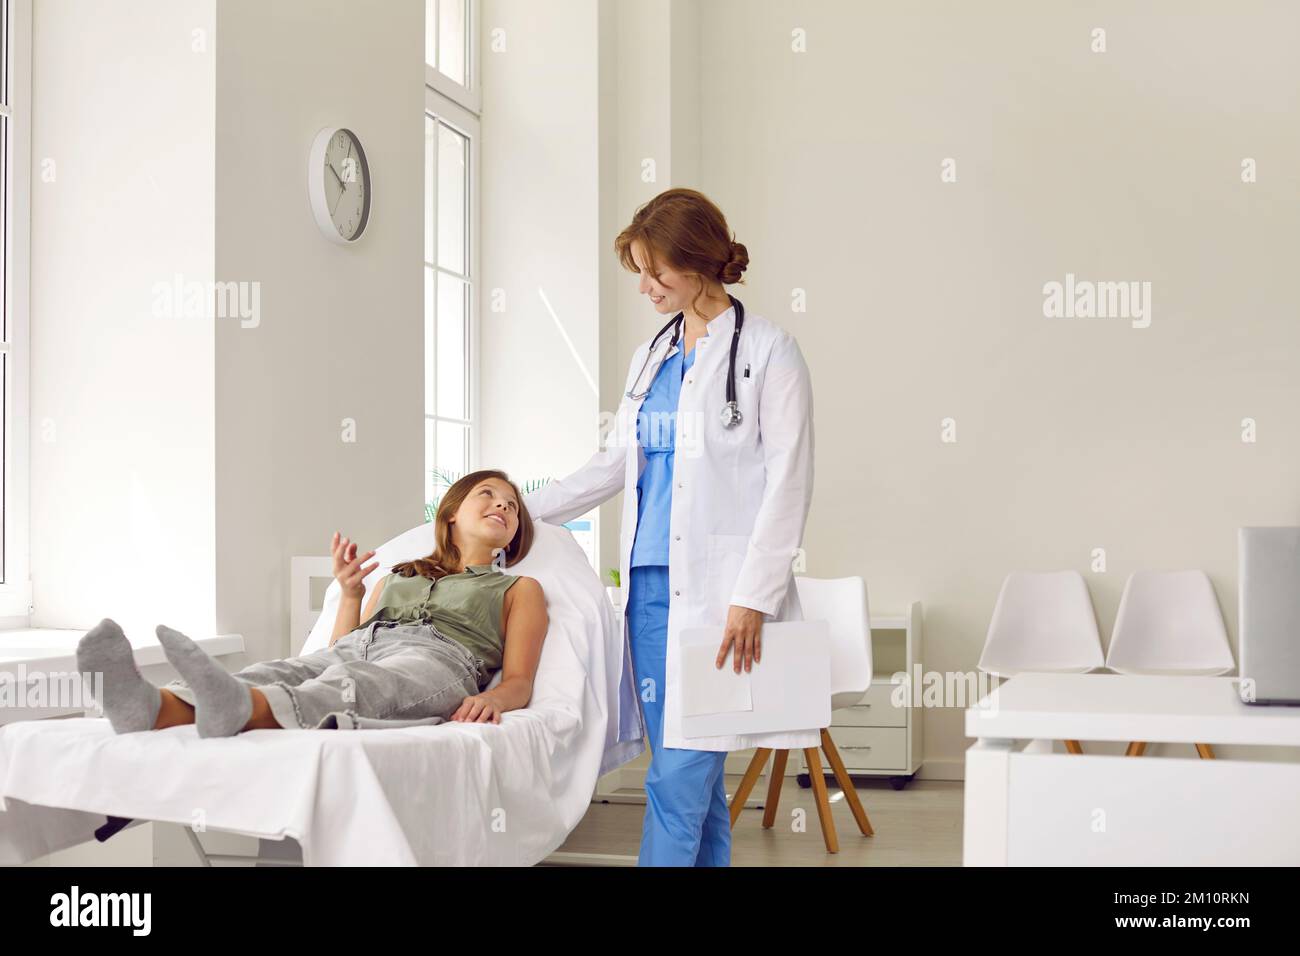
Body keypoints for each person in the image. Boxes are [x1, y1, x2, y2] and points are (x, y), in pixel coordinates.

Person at [523, 188, 817, 866]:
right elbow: (613, 464)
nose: (646, 287)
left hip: (723, 600)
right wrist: (519, 509)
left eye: (658, 272)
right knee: (698, 785)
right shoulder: (651, 354)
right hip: (648, 593)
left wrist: (754, 596)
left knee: (677, 779)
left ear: (701, 261)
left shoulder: (770, 352)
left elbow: (789, 483)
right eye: (639, 272)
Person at [76, 471, 548, 736]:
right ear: (450, 514)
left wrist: (491, 699)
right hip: (359, 647)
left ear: (515, 531)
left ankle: (240, 709)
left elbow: (520, 679)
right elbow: (344, 646)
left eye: (511, 505)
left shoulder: (519, 589)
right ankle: (152, 705)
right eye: (488, 495)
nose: (504, 505)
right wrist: (351, 594)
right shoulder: (401, 575)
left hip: (440, 660)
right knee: (281, 671)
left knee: (357, 683)